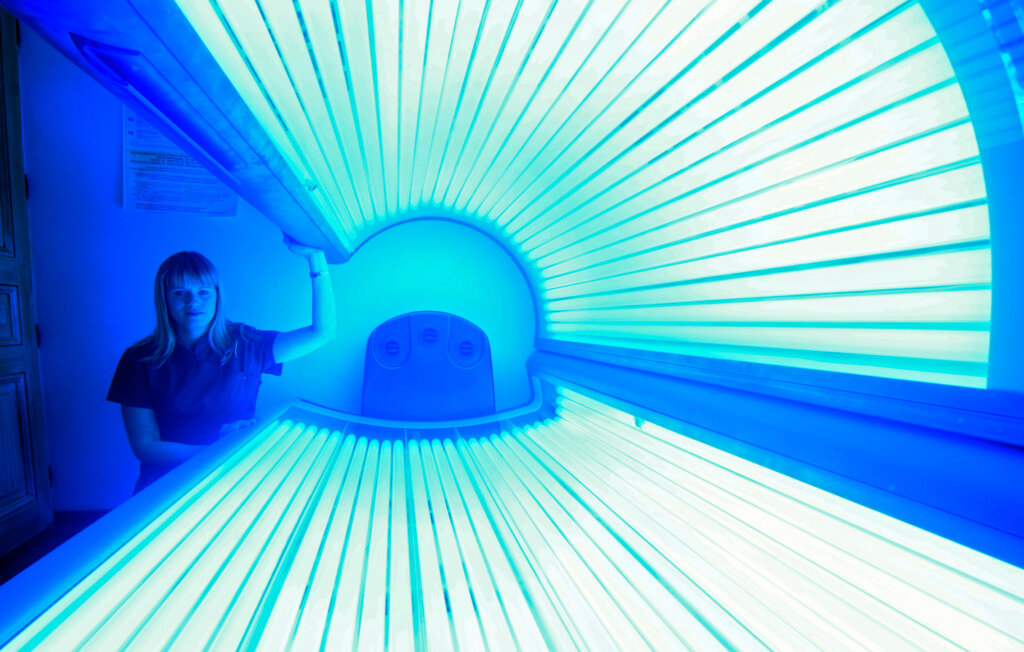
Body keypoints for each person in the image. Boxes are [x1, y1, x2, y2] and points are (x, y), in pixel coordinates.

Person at [106, 235, 336, 492]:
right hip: (167, 484)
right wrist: (216, 449)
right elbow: (146, 447)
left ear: (217, 295)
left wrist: (316, 260)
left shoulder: (246, 344)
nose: (193, 302)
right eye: (180, 293)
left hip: (233, 478)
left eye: (203, 292)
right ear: (164, 299)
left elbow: (321, 332)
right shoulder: (139, 359)